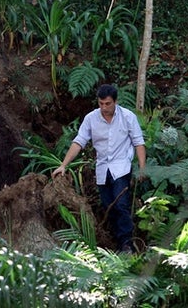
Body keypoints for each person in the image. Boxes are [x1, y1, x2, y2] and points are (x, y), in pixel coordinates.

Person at [52, 84, 146, 253]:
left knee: (121, 205)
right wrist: (63, 165)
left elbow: (139, 142)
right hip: (102, 169)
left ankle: (127, 244)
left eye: (107, 104)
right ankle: (115, 243)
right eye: (101, 103)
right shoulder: (91, 118)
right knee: (107, 206)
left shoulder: (127, 117)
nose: (104, 107)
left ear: (115, 102)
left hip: (121, 166)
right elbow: (79, 142)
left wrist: (142, 168)